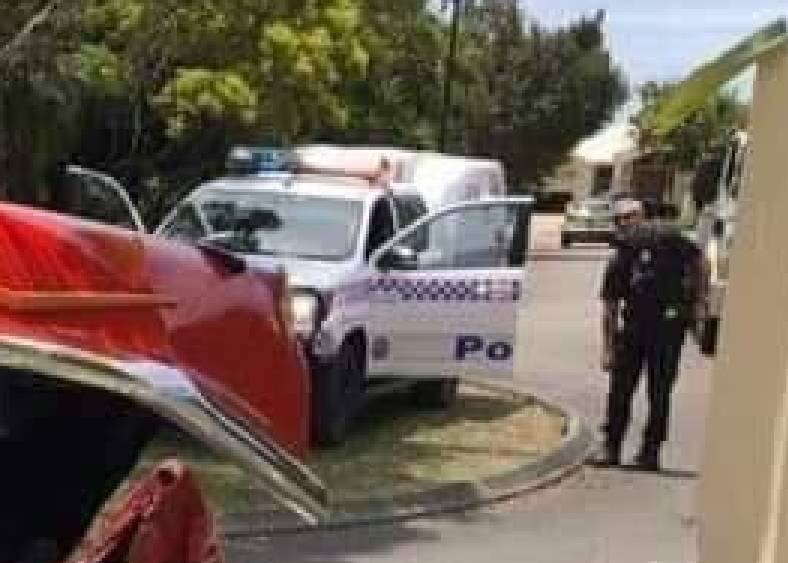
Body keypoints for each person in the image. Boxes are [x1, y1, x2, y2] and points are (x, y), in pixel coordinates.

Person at [599, 198, 703, 470]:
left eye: (629, 217)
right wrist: (608, 348)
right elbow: (610, 304)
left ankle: (645, 451)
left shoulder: (668, 240)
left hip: (664, 328)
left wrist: (696, 301)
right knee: (625, 390)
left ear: (641, 217)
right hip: (640, 328)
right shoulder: (623, 253)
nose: (624, 223)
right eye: (619, 219)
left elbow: (699, 262)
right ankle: (617, 447)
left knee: (657, 392)